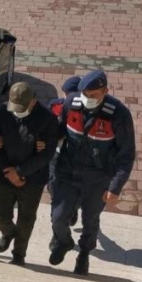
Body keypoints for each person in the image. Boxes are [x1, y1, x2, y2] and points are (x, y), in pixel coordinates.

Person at [49, 70, 136, 275]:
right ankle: (64, 242)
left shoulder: (119, 115)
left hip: (98, 179)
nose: (88, 99)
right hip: (68, 173)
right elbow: (59, 130)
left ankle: (84, 254)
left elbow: (126, 155)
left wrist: (115, 187)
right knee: (58, 217)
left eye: (93, 94)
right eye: (84, 94)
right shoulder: (71, 104)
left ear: (105, 91)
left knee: (90, 221)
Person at [0, 83, 59, 266]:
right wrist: (9, 171)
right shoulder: (2, 112)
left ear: (33, 101)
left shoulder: (48, 119)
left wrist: (20, 173)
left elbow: (46, 154)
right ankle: (8, 232)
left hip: (33, 179)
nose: (17, 111)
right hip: (5, 174)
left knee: (26, 220)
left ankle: (19, 254)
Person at [48, 76, 82, 231]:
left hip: (75, 157)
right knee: (53, 185)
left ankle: (72, 208)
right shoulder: (55, 106)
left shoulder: (84, 111)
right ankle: (58, 213)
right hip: (56, 154)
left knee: (75, 188)